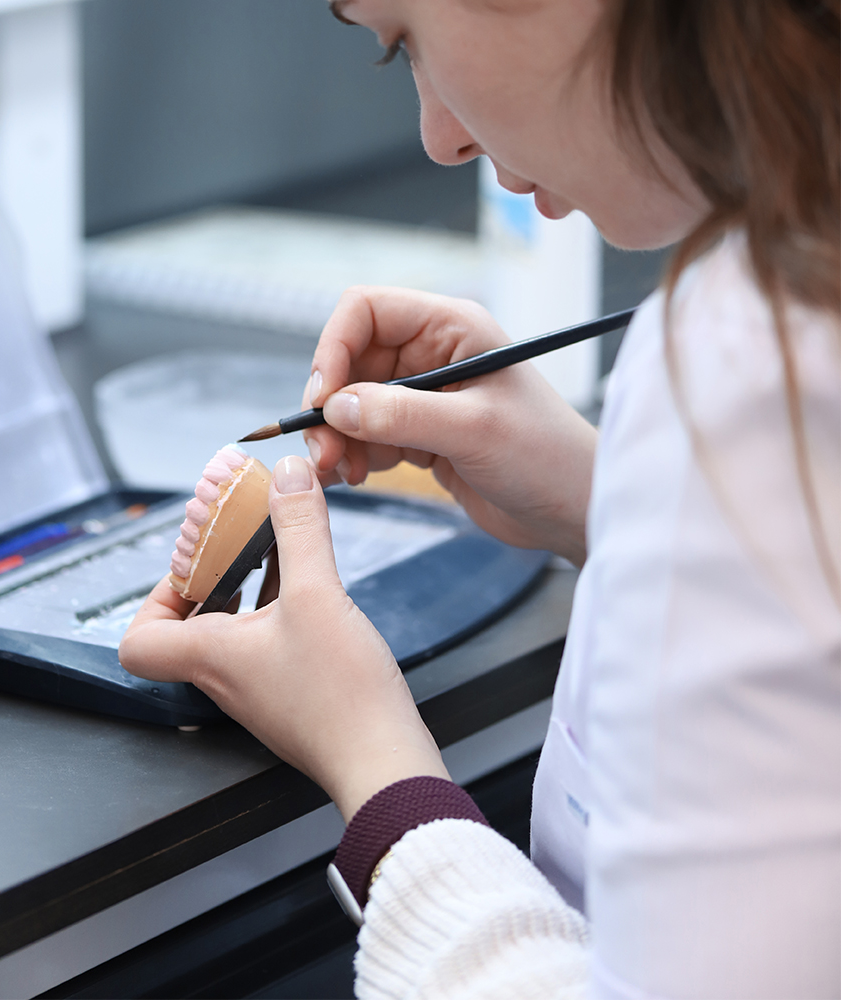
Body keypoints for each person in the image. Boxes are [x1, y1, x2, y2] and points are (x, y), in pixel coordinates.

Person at [120, 0, 840, 995]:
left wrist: (376, 768)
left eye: (403, 40)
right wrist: (610, 502)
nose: (440, 136)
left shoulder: (756, 353)